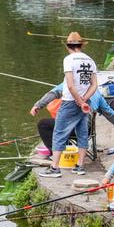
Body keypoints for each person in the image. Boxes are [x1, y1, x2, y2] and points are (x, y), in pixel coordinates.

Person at [40, 32, 98, 178]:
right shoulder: (90, 60)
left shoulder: (68, 60)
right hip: (85, 102)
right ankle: (80, 166)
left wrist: (79, 100)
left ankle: (54, 168)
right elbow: (94, 85)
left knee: (59, 132)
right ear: (81, 45)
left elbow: (71, 86)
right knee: (82, 133)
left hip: (70, 102)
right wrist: (84, 100)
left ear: (68, 46)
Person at [30, 83, 114, 154]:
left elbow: (52, 94)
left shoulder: (69, 84)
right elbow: (109, 114)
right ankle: (67, 149)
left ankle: (57, 153)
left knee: (43, 124)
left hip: (73, 128)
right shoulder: (96, 92)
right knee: (59, 120)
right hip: (87, 130)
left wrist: (38, 105)